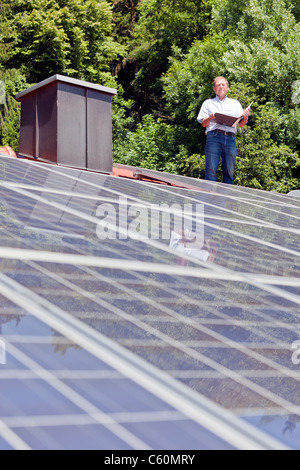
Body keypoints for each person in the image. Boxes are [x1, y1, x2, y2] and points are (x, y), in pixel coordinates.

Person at [197, 77, 250, 184]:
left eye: (223, 85)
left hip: (230, 138)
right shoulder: (208, 103)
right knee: (211, 171)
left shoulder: (235, 103)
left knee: (229, 173)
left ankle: (226, 200)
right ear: (214, 88)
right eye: (218, 85)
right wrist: (210, 118)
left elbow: (241, 124)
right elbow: (204, 124)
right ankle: (209, 199)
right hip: (214, 137)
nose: (221, 87)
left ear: (227, 88)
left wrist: (245, 117)